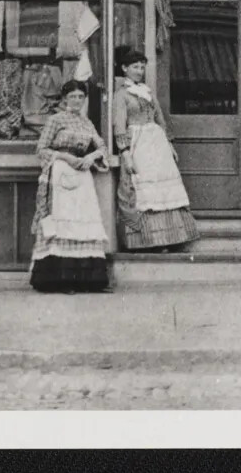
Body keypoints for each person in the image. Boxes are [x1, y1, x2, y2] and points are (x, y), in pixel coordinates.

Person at [112, 46, 199, 250]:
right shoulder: (121, 95)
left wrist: (169, 144)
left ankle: (169, 238)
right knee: (144, 189)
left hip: (157, 143)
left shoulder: (147, 91)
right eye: (135, 67)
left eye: (142, 67)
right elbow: (119, 124)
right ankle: (146, 240)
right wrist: (124, 152)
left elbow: (159, 117)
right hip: (137, 143)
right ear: (124, 68)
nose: (139, 71)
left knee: (163, 188)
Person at [29, 80, 111, 293]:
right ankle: (60, 280)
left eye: (80, 97)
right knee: (62, 222)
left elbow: (102, 145)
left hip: (82, 175)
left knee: (82, 221)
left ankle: (87, 280)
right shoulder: (55, 120)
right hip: (61, 172)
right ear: (65, 98)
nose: (76, 101)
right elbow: (41, 149)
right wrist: (65, 157)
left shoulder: (86, 122)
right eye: (72, 97)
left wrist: (92, 156)